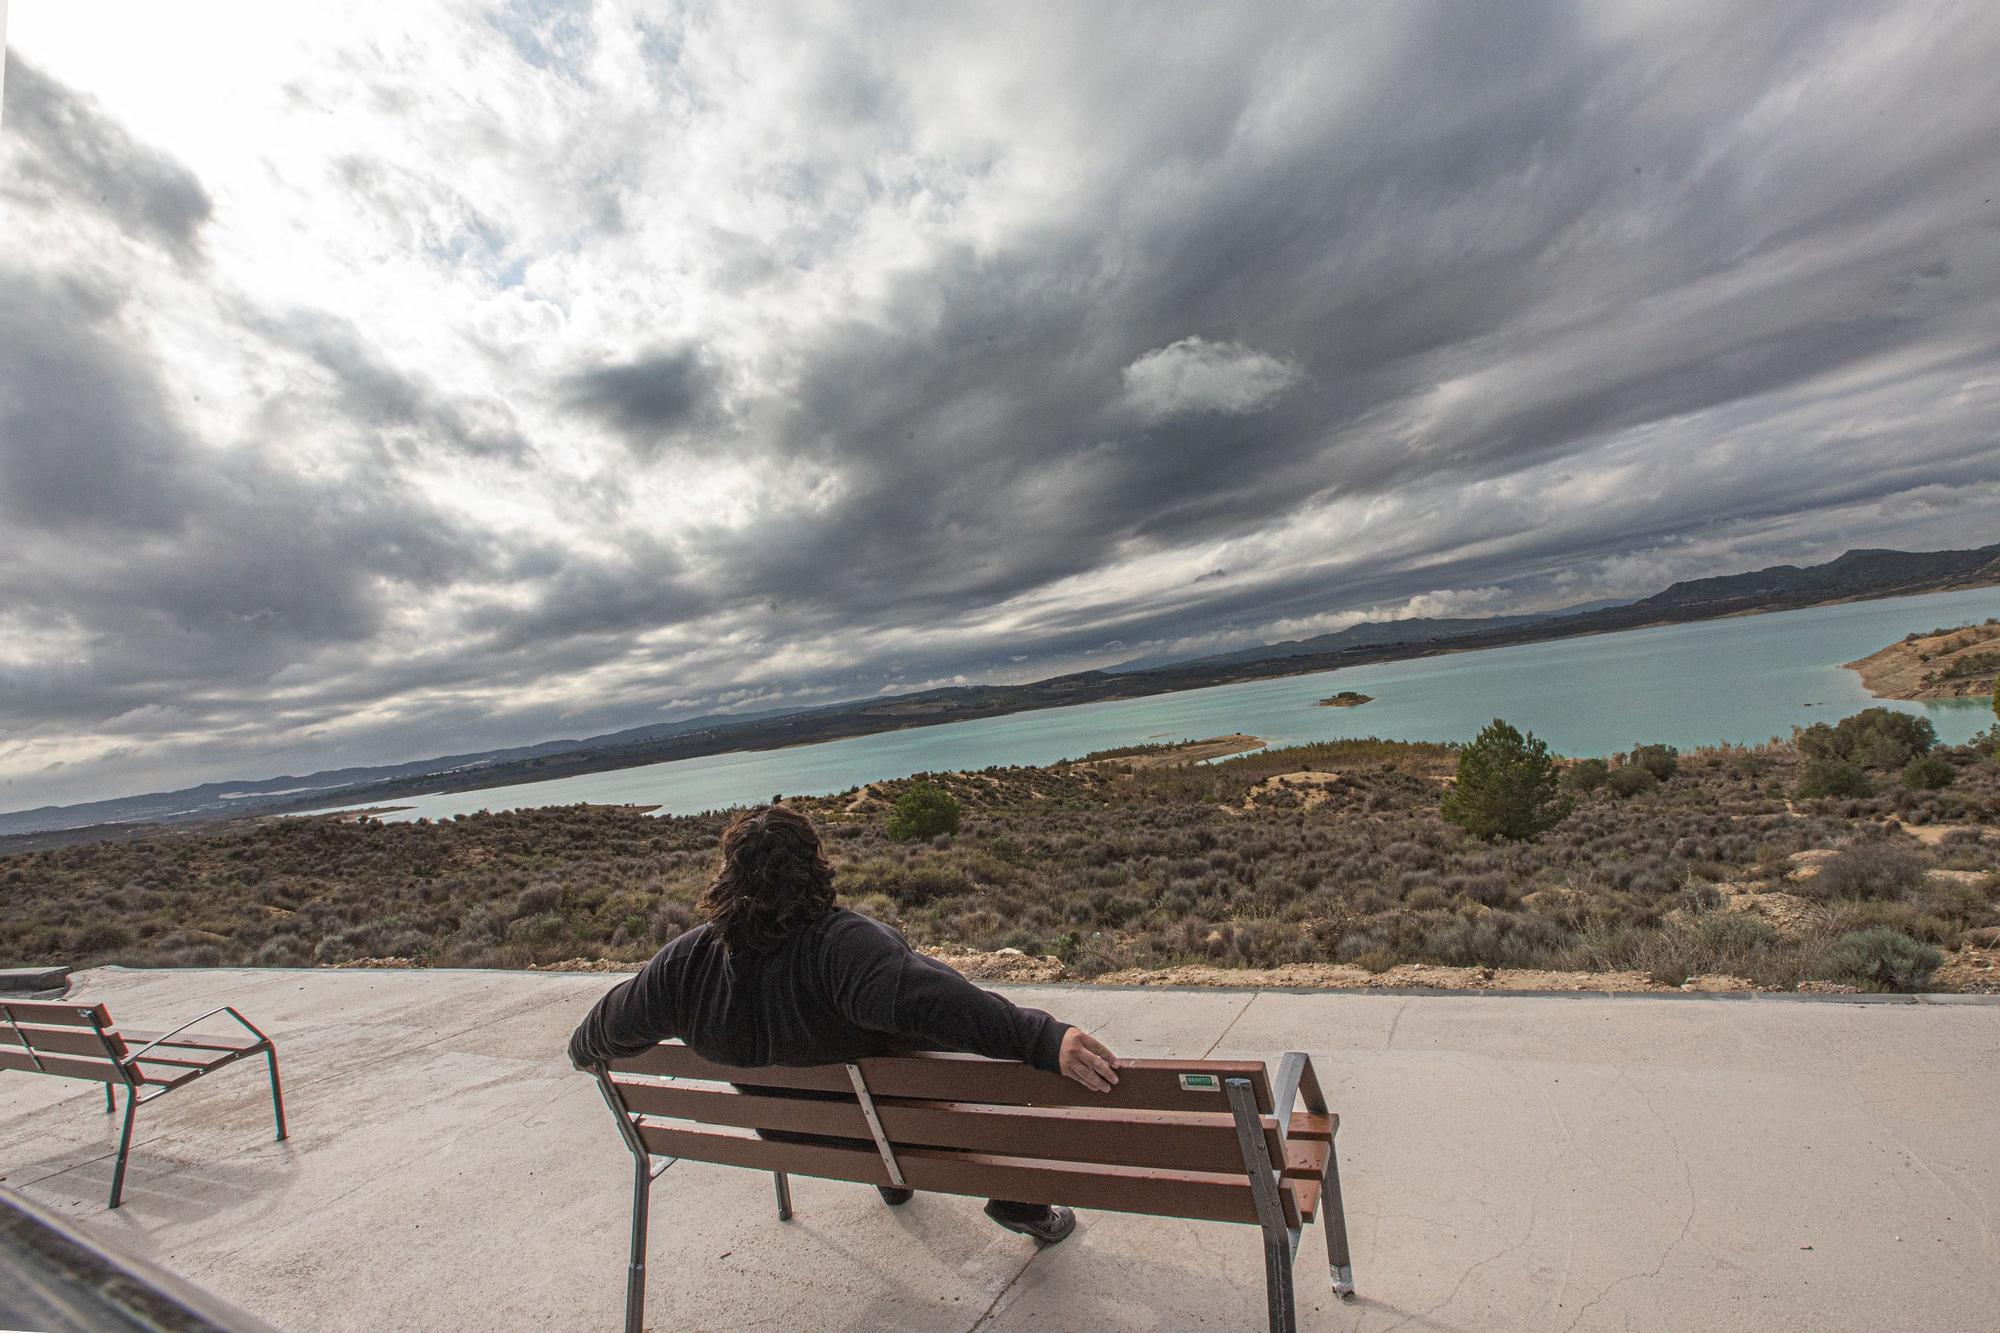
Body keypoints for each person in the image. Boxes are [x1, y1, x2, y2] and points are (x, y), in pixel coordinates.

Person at [568, 803, 1121, 1243]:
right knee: (944, 1061)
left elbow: (599, 1033)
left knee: (863, 1066)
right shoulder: (843, 949)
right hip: (908, 1135)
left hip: (798, 1138)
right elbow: (956, 1008)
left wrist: (582, 1050)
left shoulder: (684, 965)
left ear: (728, 877)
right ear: (815, 865)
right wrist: (1046, 1038)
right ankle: (1019, 1199)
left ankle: (891, 1177)